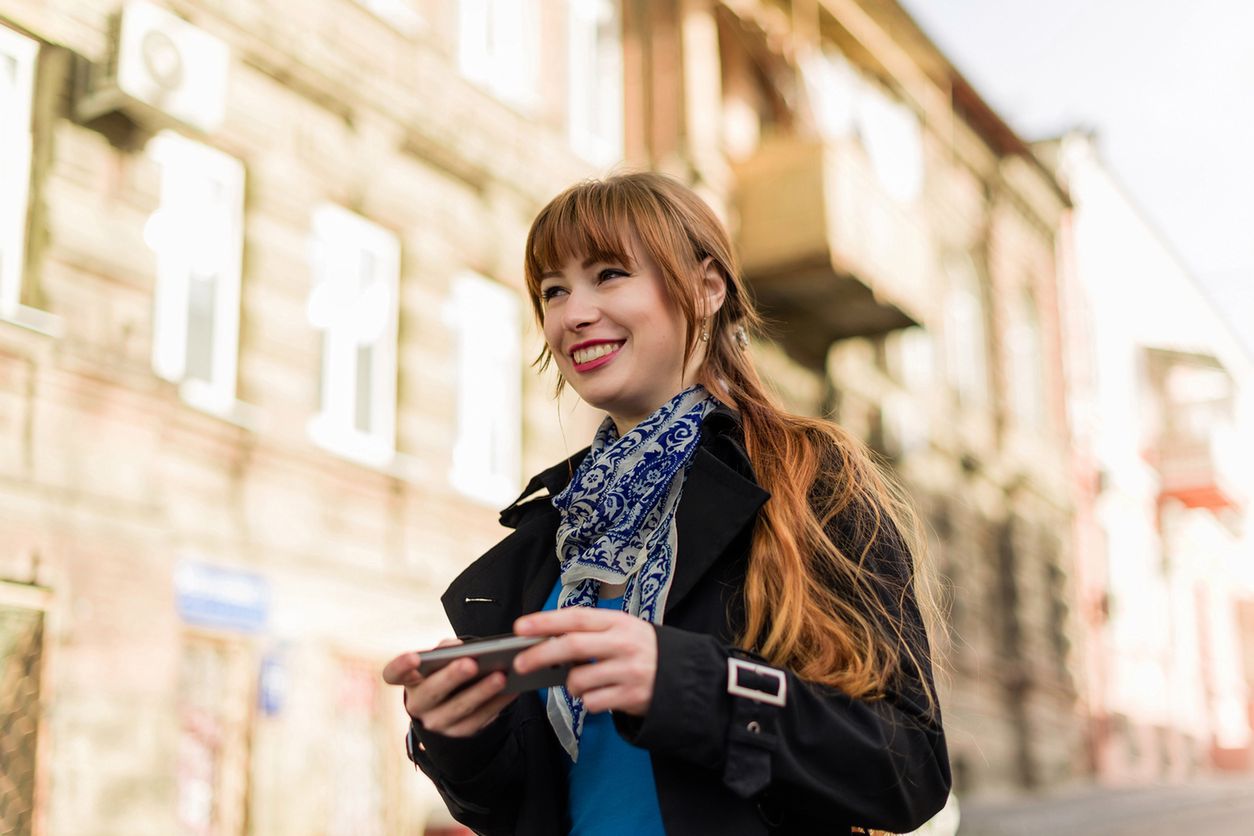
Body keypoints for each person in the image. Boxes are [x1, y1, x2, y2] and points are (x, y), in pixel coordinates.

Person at [382, 172, 952, 835]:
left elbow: (909, 768)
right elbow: (524, 809)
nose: (573, 313)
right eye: (554, 290)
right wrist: (461, 737)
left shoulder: (806, 479)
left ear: (708, 288)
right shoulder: (556, 531)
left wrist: (690, 684)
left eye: (610, 274)